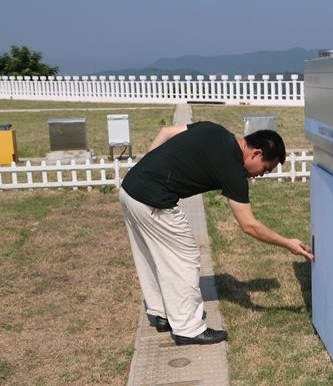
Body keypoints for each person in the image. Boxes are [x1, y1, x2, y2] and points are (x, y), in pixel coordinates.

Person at [119, 120, 313, 345]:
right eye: (266, 168)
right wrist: (288, 243)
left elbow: (166, 131)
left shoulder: (214, 129)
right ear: (256, 153)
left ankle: (162, 314)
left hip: (130, 189)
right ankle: (188, 329)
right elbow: (249, 225)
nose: (261, 175)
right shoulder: (233, 169)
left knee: (152, 256)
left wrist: (147, 170)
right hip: (153, 201)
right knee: (184, 259)